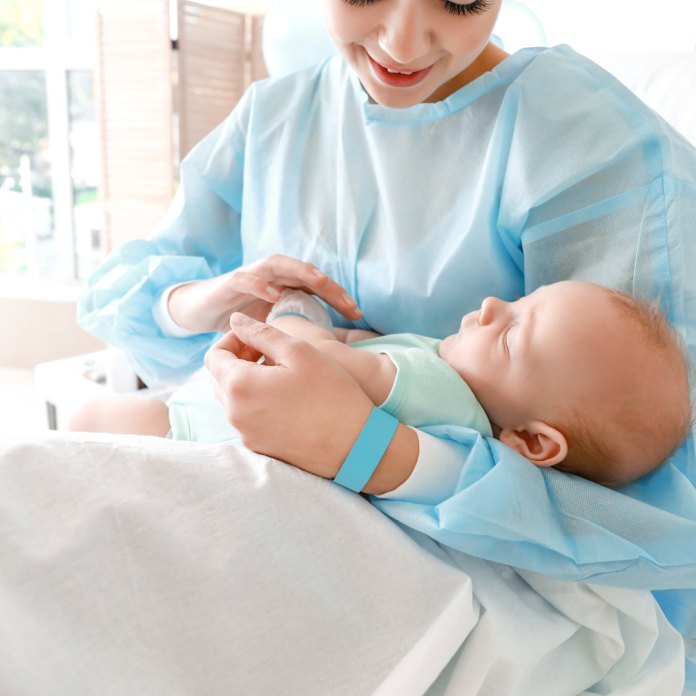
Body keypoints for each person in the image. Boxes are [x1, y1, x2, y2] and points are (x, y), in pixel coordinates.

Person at [77, 0, 696, 595]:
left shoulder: (598, 149)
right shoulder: (275, 117)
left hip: (462, 581)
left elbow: (652, 517)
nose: (401, 45)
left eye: (460, 1)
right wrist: (210, 298)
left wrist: (378, 450)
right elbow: (132, 294)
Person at [71, 281, 693, 492]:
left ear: (533, 442)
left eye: (510, 334)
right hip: (218, 423)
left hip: (198, 429)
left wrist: (293, 314)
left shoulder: (438, 388)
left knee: (87, 422)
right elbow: (361, 351)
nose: (490, 305)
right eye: (520, 300)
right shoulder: (445, 381)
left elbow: (321, 360)